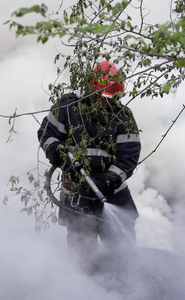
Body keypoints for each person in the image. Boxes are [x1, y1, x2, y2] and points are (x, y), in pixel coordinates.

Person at [37, 61, 141, 273]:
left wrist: (109, 180)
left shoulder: (123, 116)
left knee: (125, 253)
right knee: (82, 257)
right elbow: (47, 136)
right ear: (91, 90)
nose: (106, 104)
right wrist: (63, 159)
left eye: (112, 99)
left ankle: (129, 289)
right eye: (102, 98)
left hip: (113, 194)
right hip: (77, 194)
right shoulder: (68, 107)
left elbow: (129, 156)